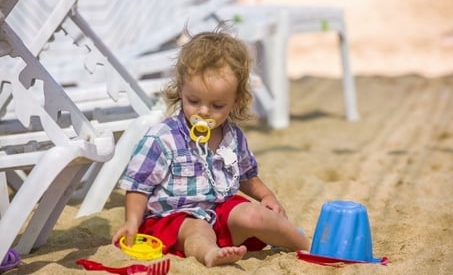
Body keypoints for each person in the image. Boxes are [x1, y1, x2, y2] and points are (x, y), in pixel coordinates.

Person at [112, 27, 311, 268]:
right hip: (174, 220)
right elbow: (138, 185)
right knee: (197, 228)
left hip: (219, 213)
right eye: (194, 101)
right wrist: (132, 221)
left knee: (253, 214)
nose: (204, 111)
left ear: (235, 101)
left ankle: (306, 246)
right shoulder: (163, 138)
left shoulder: (233, 137)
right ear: (181, 90)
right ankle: (209, 254)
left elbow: (247, 177)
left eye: (217, 105)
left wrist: (267, 196)